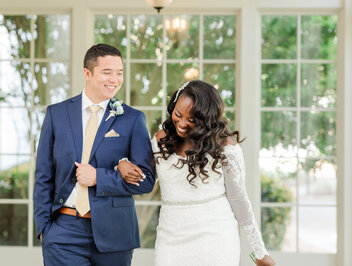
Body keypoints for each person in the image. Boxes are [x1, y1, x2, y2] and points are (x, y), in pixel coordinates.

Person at [118, 80, 275, 266]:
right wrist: (122, 163)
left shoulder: (225, 146)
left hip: (214, 237)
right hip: (170, 237)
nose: (182, 123)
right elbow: (144, 178)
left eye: (191, 120)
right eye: (178, 114)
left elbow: (239, 200)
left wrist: (259, 250)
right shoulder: (162, 138)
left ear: (206, 120)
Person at [33, 43, 155, 266]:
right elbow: (43, 176)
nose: (114, 79)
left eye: (119, 73)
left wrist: (99, 177)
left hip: (115, 233)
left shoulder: (132, 119)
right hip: (63, 232)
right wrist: (44, 228)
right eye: (107, 72)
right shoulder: (56, 114)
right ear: (87, 73)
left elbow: (146, 180)